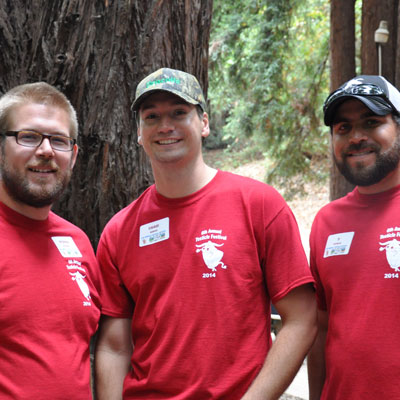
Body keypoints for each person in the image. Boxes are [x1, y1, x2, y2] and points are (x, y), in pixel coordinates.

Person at [95, 67, 317, 400]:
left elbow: (302, 320)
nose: (165, 126)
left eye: (179, 113)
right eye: (151, 116)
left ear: (204, 123)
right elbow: (114, 347)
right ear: (139, 134)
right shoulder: (119, 231)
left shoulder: (258, 205)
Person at [0, 82, 101, 399]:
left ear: (73, 156)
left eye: (58, 140)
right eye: (28, 136)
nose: (45, 150)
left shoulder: (78, 243)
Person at [307, 75, 400, 400]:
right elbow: (320, 331)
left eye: (372, 122)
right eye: (343, 128)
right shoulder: (326, 224)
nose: (356, 137)